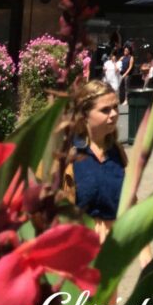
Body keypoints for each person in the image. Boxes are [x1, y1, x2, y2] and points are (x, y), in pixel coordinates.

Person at [65, 80, 125, 243]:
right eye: (105, 110)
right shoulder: (68, 155)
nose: (114, 114)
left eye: (115, 107)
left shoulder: (118, 153)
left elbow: (129, 202)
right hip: (77, 248)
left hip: (112, 250)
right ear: (84, 115)